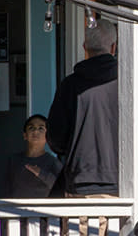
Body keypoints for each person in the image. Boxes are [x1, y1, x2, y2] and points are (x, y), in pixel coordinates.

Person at [47, 19, 118, 196]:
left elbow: (56, 139)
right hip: (125, 181)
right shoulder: (130, 84)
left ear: (84, 47)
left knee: (81, 225)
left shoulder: (70, 86)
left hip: (81, 183)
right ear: (113, 47)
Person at [5, 114, 62, 198]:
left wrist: (41, 173)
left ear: (48, 136)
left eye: (41, 128)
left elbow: (60, 187)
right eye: (31, 128)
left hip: (40, 209)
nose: (36, 131)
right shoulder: (14, 160)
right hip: (15, 208)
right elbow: (6, 188)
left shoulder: (52, 162)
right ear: (25, 135)